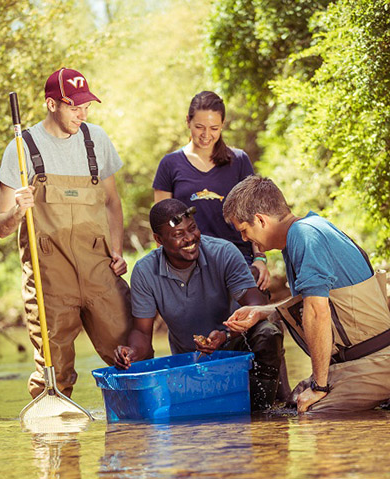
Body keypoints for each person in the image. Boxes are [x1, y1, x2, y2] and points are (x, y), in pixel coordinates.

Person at [0, 68, 132, 398]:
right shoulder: (21, 148)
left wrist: (116, 249)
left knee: (130, 355)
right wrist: (17, 210)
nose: (81, 115)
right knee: (54, 375)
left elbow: (112, 202)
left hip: (99, 268)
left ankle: (136, 441)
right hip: (49, 279)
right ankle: (54, 444)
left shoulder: (96, 139)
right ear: (51, 104)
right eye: (74, 107)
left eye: (86, 106)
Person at [222, 175, 390, 414]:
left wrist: (320, 387)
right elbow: (321, 300)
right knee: (292, 402)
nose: (244, 239)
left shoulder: (305, 236)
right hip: (361, 360)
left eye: (244, 230)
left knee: (310, 414)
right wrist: (262, 312)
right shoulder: (307, 230)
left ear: (260, 220)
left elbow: (317, 311)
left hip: (377, 361)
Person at [114, 198, 284, 410]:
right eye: (178, 235)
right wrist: (130, 353)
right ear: (159, 239)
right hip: (191, 364)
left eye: (192, 228)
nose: (189, 238)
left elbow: (257, 308)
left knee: (268, 331)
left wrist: (226, 335)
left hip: (236, 350)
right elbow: (141, 332)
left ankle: (263, 415)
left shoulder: (223, 252)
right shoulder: (145, 271)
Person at [153, 91, 270, 290]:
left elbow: (254, 215)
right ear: (187, 121)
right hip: (188, 263)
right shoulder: (170, 164)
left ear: (222, 125)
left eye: (214, 128)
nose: (206, 135)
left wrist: (260, 258)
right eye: (199, 127)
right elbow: (161, 225)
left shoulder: (239, 161)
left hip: (238, 260)